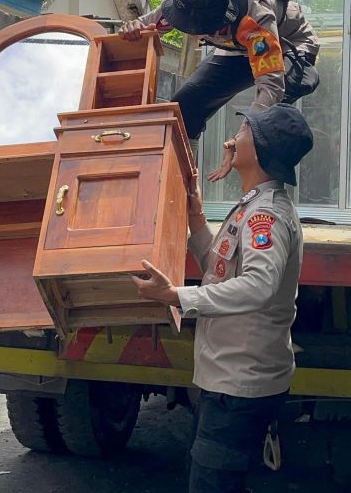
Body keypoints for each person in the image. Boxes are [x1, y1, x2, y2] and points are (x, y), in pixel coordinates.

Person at [133, 103, 314, 493]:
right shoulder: (249, 208)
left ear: (262, 149)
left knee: (211, 484)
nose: (235, 136)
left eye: (246, 129)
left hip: (241, 384)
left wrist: (177, 296)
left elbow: (258, 286)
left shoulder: (266, 216)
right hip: (228, 380)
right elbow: (220, 267)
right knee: (208, 477)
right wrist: (197, 221)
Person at [120, 0, 320, 147]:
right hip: (237, 49)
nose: (186, 30)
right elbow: (146, 27)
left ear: (218, 21)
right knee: (185, 107)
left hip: (288, 43)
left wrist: (245, 132)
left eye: (192, 28)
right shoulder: (183, 1)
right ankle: (182, 177)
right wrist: (132, 29)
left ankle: (266, 173)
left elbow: (271, 86)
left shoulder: (256, 20)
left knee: (271, 111)